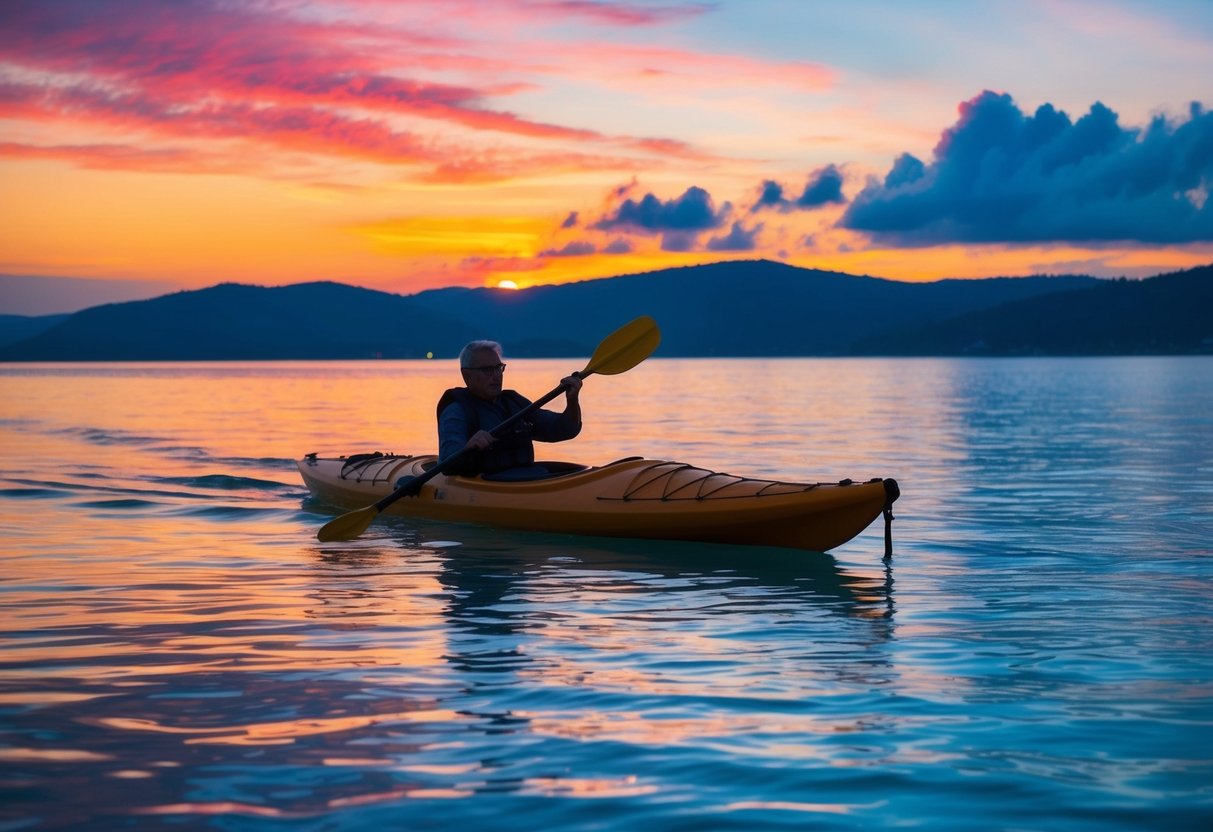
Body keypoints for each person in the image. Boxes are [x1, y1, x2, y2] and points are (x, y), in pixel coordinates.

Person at [436, 340, 583, 480]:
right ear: (467, 376)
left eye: (499, 368)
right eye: (487, 370)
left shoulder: (514, 402)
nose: (496, 376)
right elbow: (449, 461)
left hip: (528, 481)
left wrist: (572, 400)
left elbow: (565, 429)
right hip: (486, 488)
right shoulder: (456, 410)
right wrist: (468, 447)